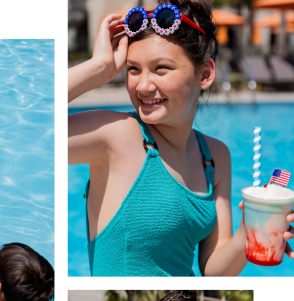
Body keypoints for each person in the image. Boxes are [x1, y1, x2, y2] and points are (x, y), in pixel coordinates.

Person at [67, 0, 294, 276]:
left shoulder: (215, 156)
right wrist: (98, 67)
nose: (143, 85)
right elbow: (37, 125)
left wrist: (250, 229)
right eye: (133, 69)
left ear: (206, 73)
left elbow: (214, 269)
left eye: (161, 68)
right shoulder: (116, 135)